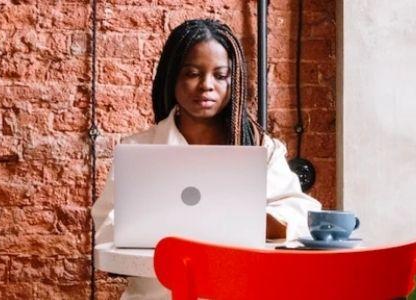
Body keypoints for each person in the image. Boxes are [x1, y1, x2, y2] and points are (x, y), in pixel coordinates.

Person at [92, 18, 321, 300]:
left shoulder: (261, 148)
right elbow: (106, 229)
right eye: (192, 73)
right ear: (171, 76)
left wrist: (263, 222)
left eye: (220, 75)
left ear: (233, 81)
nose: (206, 86)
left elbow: (301, 213)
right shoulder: (139, 149)